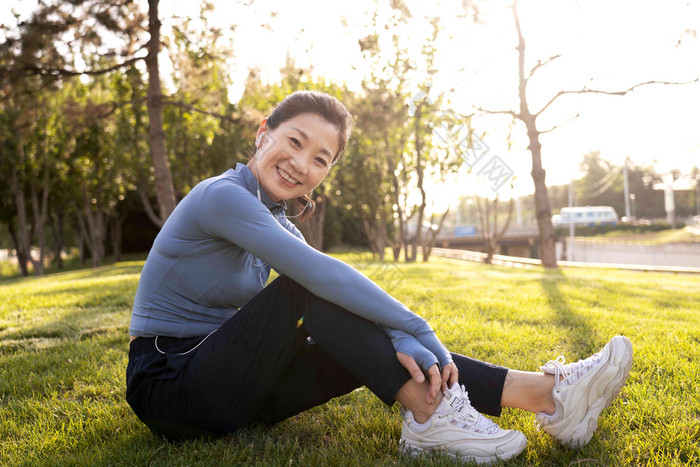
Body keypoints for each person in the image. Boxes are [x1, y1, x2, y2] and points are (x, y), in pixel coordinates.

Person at [126, 90, 633, 464]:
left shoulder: (275, 216)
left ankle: (544, 395)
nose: (301, 163)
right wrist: (416, 324)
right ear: (263, 133)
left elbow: (342, 300)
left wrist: (399, 332)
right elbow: (317, 276)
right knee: (309, 287)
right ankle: (433, 414)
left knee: (351, 330)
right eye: (294, 142)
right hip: (171, 384)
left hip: (232, 388)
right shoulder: (222, 196)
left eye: (319, 159)